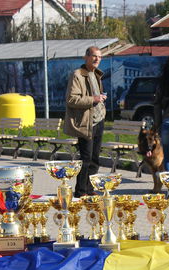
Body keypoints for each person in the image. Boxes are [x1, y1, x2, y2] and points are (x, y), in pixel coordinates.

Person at [64, 46, 107, 198]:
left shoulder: (96, 75)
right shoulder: (77, 75)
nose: (97, 59)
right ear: (86, 57)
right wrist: (93, 99)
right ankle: (81, 191)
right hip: (85, 123)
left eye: (100, 57)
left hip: (99, 121)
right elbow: (71, 99)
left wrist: (100, 98)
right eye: (94, 56)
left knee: (95, 158)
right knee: (86, 158)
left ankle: (90, 189)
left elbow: (95, 96)